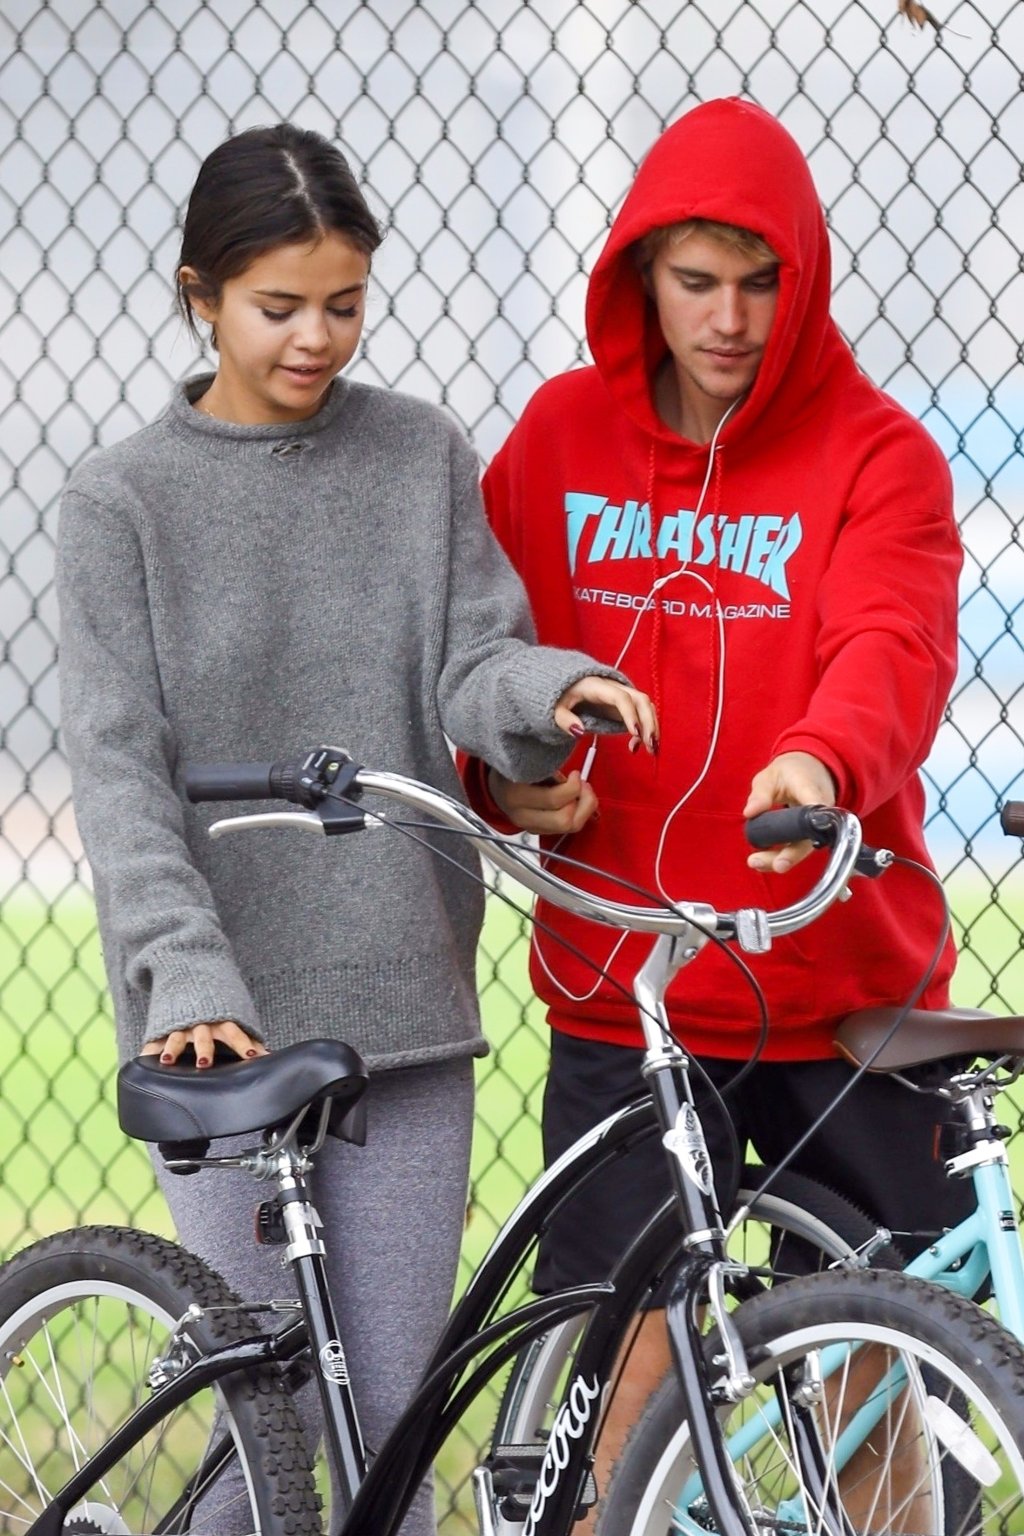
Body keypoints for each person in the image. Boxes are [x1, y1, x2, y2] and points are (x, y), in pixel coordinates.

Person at [55, 124, 657, 1536]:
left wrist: (549, 693)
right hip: (228, 1029)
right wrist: (186, 980)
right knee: (258, 1435)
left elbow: (472, 661)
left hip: (403, 1004)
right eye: (279, 307)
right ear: (201, 294)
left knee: (393, 1421)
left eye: (344, 302)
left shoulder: (417, 456)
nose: (316, 337)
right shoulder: (119, 505)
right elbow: (121, 776)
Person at [458, 95, 969, 1499]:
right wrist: (501, 775)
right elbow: (481, 654)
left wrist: (821, 761)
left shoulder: (882, 457)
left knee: (869, 1357)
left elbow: (893, 645)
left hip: (837, 984)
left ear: (800, 279)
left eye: (761, 283)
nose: (730, 318)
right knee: (630, 1351)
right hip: (627, 980)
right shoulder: (557, 443)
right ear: (639, 278)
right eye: (695, 283)